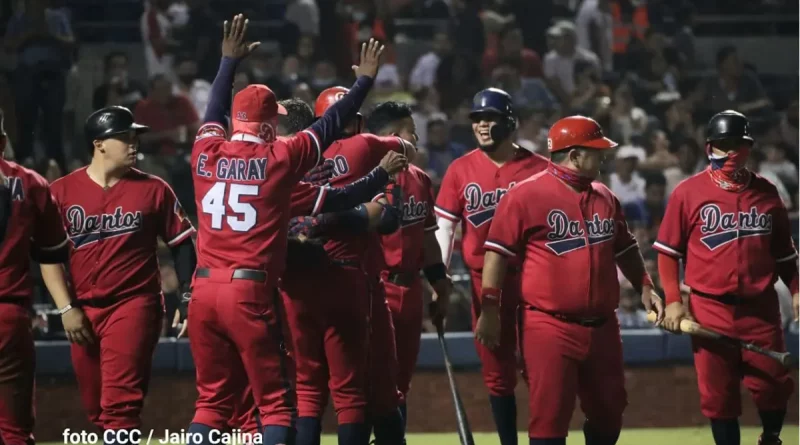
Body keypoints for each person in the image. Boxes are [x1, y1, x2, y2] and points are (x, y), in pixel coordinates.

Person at [186, 15, 390, 445]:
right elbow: (328, 126)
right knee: (276, 405)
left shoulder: (203, 153)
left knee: (210, 405)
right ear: (268, 125)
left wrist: (227, 63)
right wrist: (364, 84)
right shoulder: (277, 161)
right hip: (248, 290)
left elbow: (212, 111)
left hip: (202, 290)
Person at [478, 115, 664, 445]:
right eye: (595, 150)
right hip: (549, 325)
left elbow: (625, 248)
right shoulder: (525, 195)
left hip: (604, 325)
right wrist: (489, 309)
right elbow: (495, 254)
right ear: (574, 154)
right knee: (550, 419)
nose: (603, 156)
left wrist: (645, 284)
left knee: (610, 413)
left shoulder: (605, 196)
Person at [47, 104, 197, 440]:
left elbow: (183, 244)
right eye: (124, 137)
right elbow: (47, 257)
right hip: (82, 309)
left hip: (134, 303)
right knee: (97, 410)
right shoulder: (60, 192)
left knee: (120, 406)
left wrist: (187, 296)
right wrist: (67, 309)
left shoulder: (154, 188)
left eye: (135, 137)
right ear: (99, 143)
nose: (134, 144)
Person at [655, 110, 798, 445]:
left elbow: (785, 255)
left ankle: (772, 437)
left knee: (773, 385)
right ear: (709, 147)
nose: (731, 151)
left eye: (738, 144)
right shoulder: (687, 192)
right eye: (723, 145)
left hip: (760, 308)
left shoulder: (767, 193)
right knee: (719, 396)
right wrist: (674, 301)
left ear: (749, 147)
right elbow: (666, 252)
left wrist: (796, 289)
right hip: (710, 309)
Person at [283, 90, 416, 445]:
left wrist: (319, 221)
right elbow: (389, 215)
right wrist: (356, 214)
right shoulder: (364, 147)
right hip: (350, 278)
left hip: (291, 279)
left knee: (307, 391)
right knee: (360, 391)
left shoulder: (289, 156)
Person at [433, 88, 549, 445]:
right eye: (477, 120)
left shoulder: (540, 169)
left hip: (534, 284)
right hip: (485, 286)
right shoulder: (461, 168)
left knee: (543, 373)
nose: (482, 126)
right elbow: (446, 227)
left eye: (490, 119)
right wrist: (440, 274)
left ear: (509, 122)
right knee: (497, 376)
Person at [365, 101, 453, 430]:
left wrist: (440, 283)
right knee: (370, 380)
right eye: (409, 132)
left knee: (401, 383)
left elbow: (428, 240)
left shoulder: (420, 179)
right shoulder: (366, 179)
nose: (416, 138)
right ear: (390, 138)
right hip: (377, 286)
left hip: (411, 288)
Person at [0, 112, 70, 445]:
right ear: (3, 140)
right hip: (7, 315)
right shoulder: (31, 183)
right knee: (13, 429)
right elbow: (54, 251)